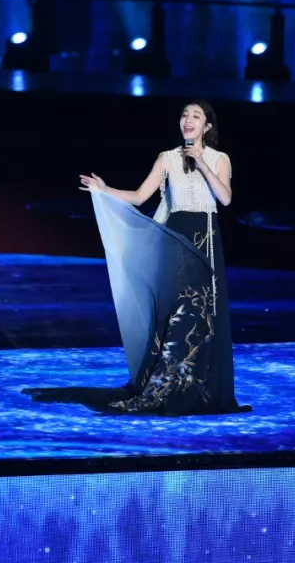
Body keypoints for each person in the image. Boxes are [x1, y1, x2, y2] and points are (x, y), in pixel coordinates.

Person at [63, 99, 250, 415]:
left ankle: (201, 389)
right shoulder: (167, 158)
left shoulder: (219, 159)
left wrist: (202, 164)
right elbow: (139, 196)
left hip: (204, 241)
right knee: (173, 313)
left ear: (206, 126)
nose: (188, 120)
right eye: (185, 115)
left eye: (196, 116)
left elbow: (226, 199)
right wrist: (104, 189)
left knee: (203, 314)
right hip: (174, 241)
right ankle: (164, 384)